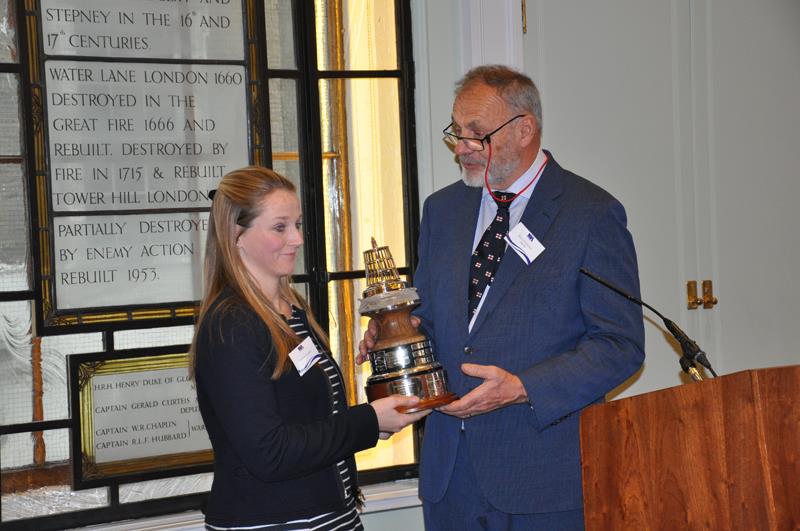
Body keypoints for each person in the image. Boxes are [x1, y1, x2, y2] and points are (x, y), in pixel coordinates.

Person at [359, 65, 645, 529]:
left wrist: (522, 387)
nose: (463, 148)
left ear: (525, 129)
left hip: (542, 480)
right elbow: (434, 318)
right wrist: (398, 333)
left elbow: (620, 345)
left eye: (478, 134)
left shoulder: (590, 214)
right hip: (450, 477)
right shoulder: (442, 210)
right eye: (457, 132)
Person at [191, 166, 429, 530]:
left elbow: (314, 416)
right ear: (236, 234)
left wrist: (379, 415)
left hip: (330, 516)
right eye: (280, 227)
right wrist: (368, 421)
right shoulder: (231, 324)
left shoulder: (294, 309)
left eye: (298, 224)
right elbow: (269, 452)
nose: (297, 239)